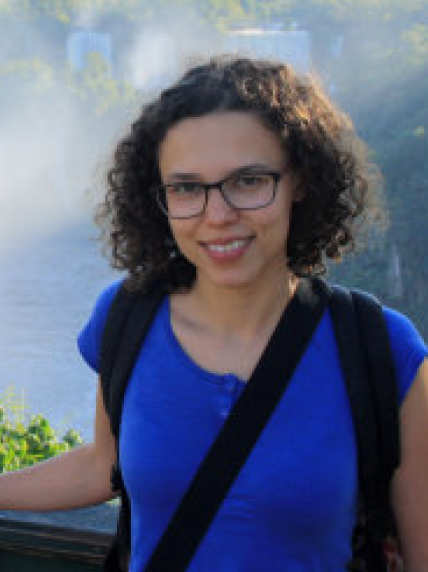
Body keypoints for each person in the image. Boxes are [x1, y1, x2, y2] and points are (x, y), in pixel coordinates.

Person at [1, 56, 427, 571]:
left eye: (248, 181)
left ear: (301, 181)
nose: (218, 215)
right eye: (186, 188)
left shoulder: (379, 347)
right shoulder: (127, 319)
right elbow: (103, 465)